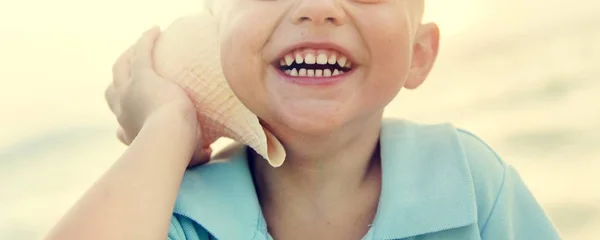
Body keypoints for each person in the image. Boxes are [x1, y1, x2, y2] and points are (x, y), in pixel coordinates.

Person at [43, 0, 563, 239]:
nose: (317, 9)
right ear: (216, 31)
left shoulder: (468, 182)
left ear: (419, 54)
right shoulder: (180, 215)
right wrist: (167, 128)